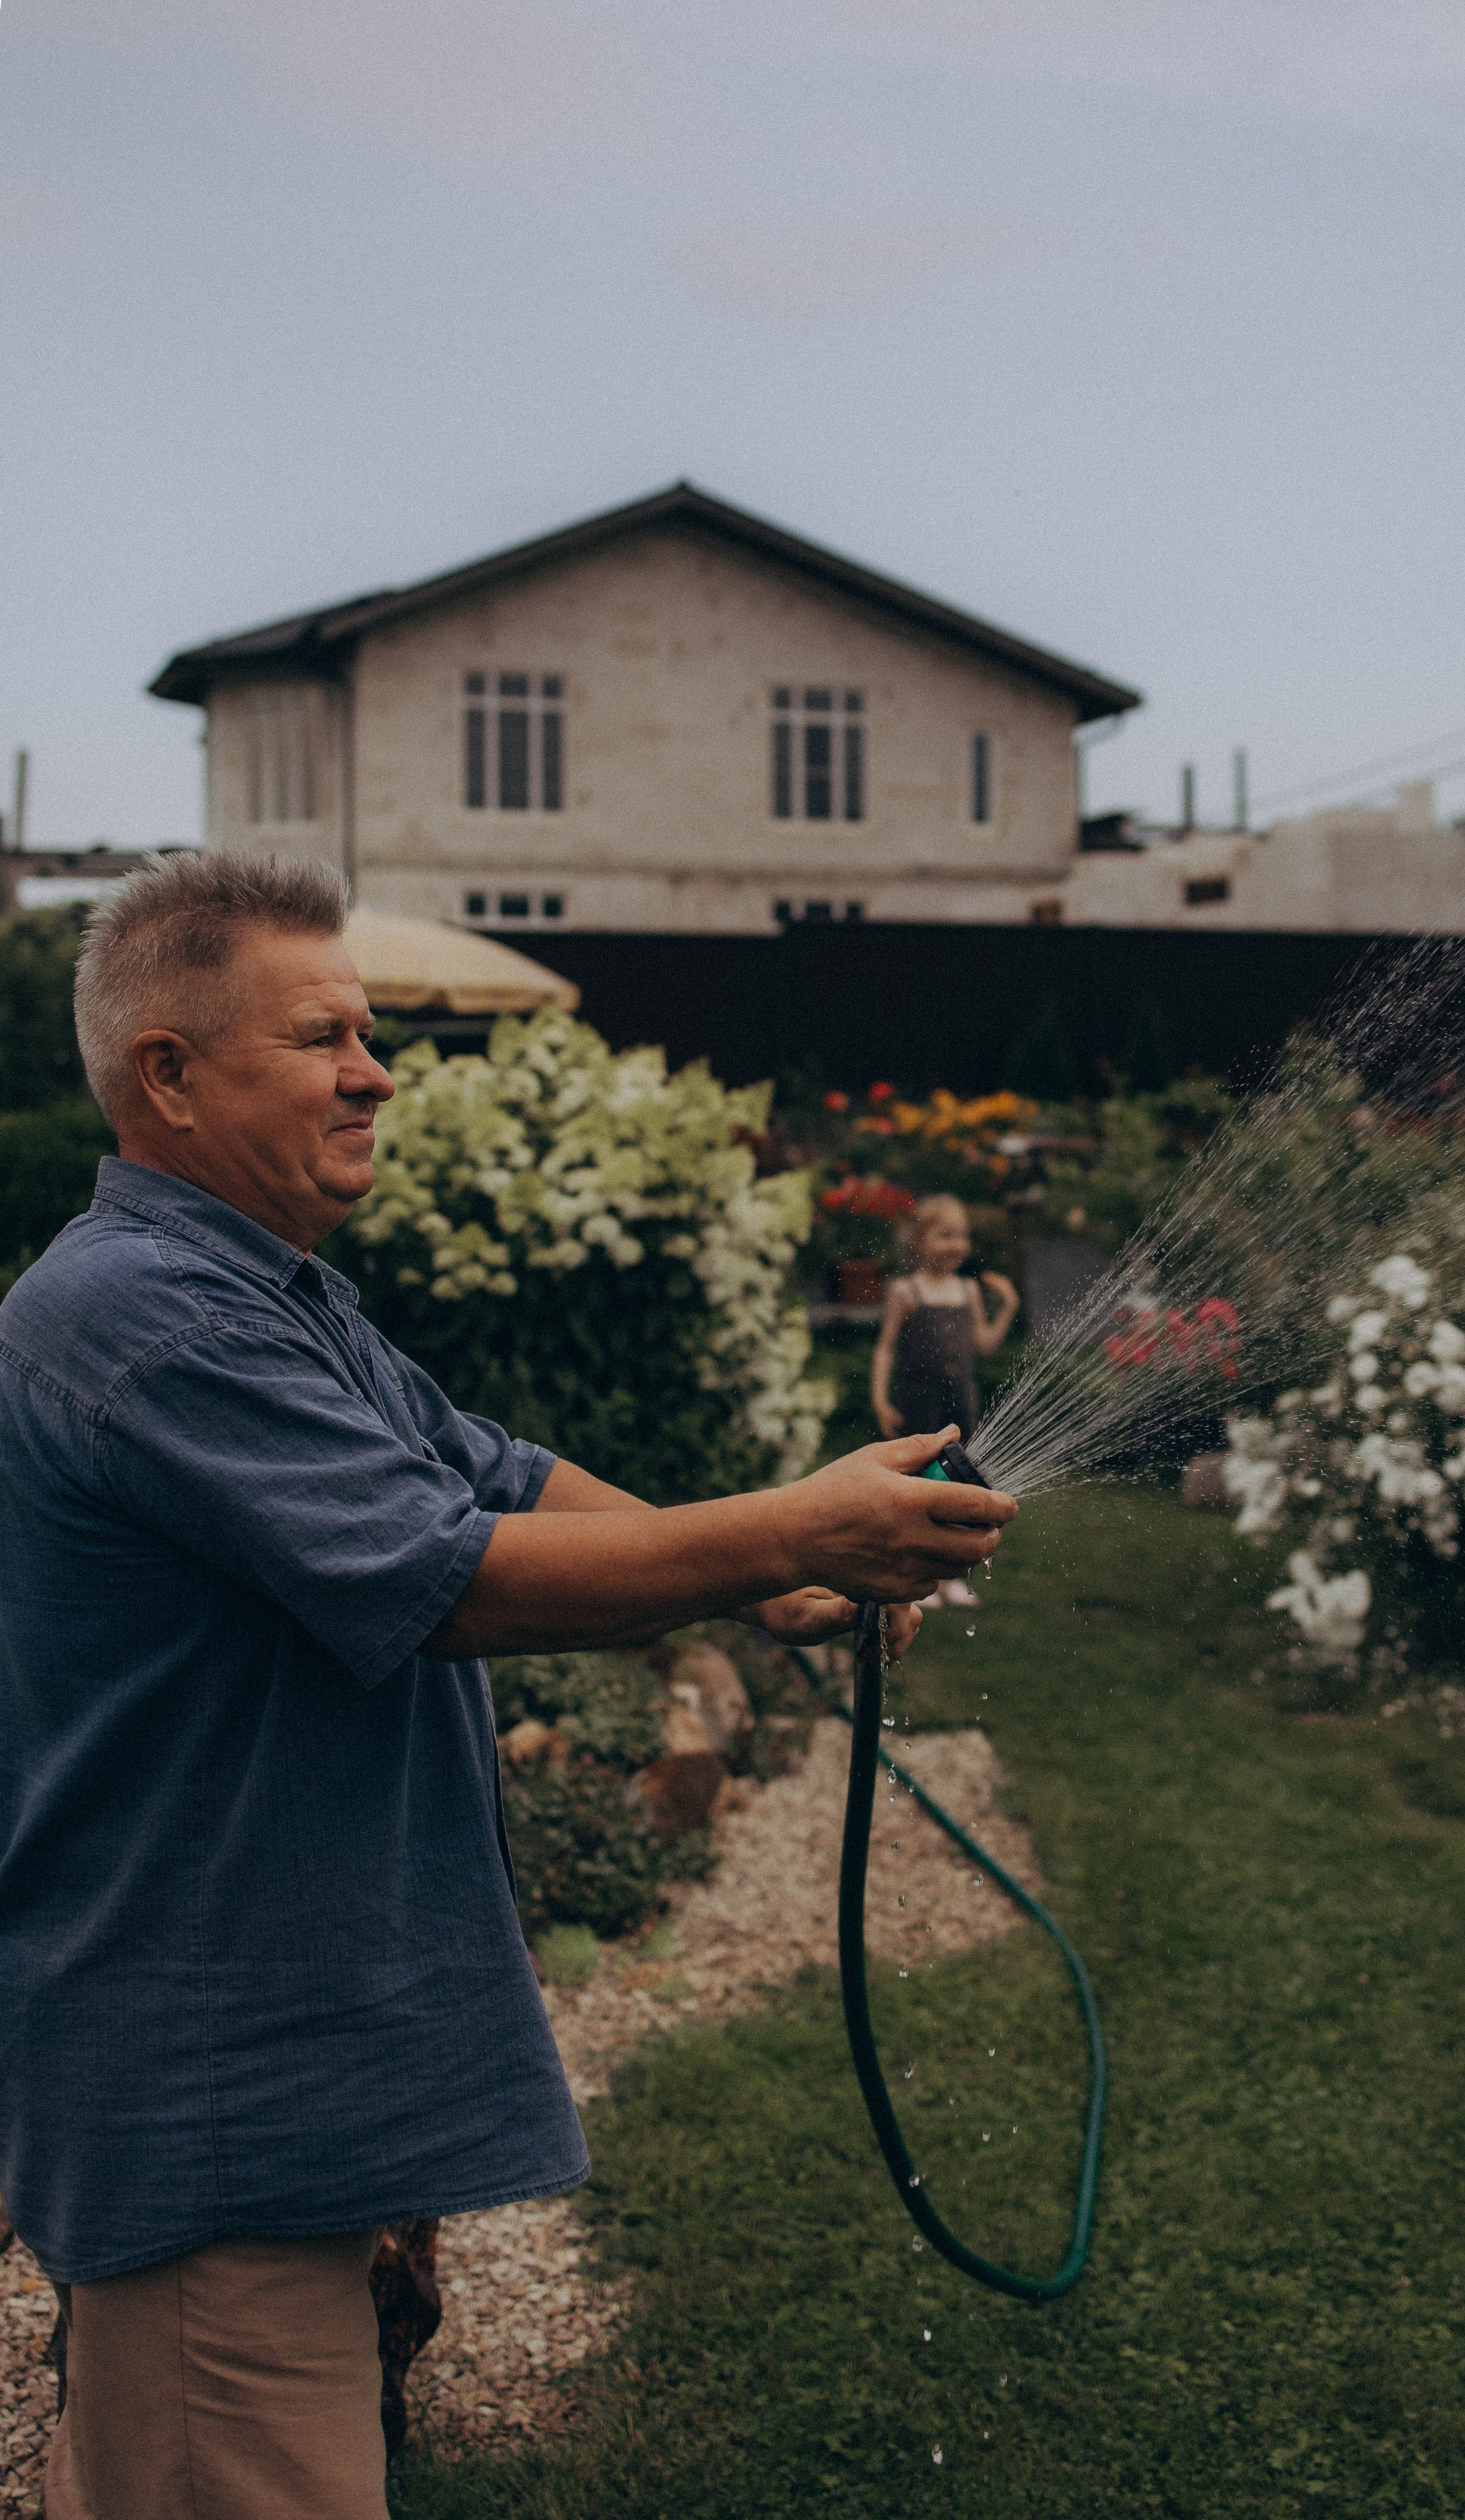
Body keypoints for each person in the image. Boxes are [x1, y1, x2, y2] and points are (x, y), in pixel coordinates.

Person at [0, 854, 1015, 2520]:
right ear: (166, 1074)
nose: (376, 1068)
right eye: (322, 1035)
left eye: (370, 1029)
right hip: (211, 2114)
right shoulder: (145, 1315)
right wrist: (795, 1520)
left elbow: (501, 1471)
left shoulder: (272, 1293)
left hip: (251, 2090)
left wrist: (779, 1576)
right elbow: (447, 1571)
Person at [870, 1193, 1019, 1608]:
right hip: (919, 1404)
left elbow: (985, 1345)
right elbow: (885, 1349)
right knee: (917, 1488)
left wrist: (1008, 1306)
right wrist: (880, 1400)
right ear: (918, 1241)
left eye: (963, 1236)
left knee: (960, 1488)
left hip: (960, 1406)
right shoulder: (906, 1290)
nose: (957, 1244)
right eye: (945, 1235)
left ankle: (952, 1574)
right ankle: (913, 1572)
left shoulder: (968, 1290)